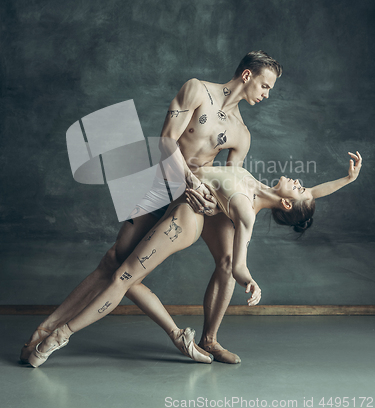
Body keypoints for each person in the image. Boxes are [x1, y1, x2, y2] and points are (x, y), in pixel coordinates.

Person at [21, 51, 282, 365]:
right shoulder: (197, 89)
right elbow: (166, 140)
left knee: (220, 261)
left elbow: (230, 179)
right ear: (246, 76)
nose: (267, 94)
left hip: (194, 198)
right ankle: (46, 330)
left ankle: (208, 340)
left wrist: (228, 209)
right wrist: (187, 179)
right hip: (163, 184)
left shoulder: (242, 134)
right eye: (265, 86)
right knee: (114, 262)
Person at [27, 151, 362, 367]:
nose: (302, 183)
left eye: (299, 188)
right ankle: (50, 332)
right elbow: (312, 196)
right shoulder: (260, 186)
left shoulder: (247, 210)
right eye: (304, 185)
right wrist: (347, 179)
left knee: (122, 278)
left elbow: (239, 263)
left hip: (186, 218)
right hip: (171, 196)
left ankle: (60, 336)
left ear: (287, 205)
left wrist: (250, 281)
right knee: (117, 270)